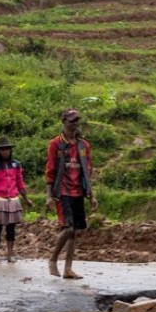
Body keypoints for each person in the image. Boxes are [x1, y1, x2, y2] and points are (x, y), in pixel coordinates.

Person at [46, 108, 97, 279]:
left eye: (77, 120)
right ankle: (52, 260)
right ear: (64, 122)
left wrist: (91, 195)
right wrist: (48, 196)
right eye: (71, 120)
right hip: (62, 191)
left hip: (78, 191)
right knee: (68, 228)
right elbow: (50, 170)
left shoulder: (84, 145)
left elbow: (87, 171)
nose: (75, 123)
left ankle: (68, 268)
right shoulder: (56, 144)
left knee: (75, 232)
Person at [0, 135, 33, 263]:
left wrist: (26, 198)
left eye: (7, 149)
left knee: (11, 229)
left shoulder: (16, 164)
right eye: (2, 150)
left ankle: (10, 255)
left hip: (13, 200)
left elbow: (20, 182)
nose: (5, 151)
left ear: (10, 150)